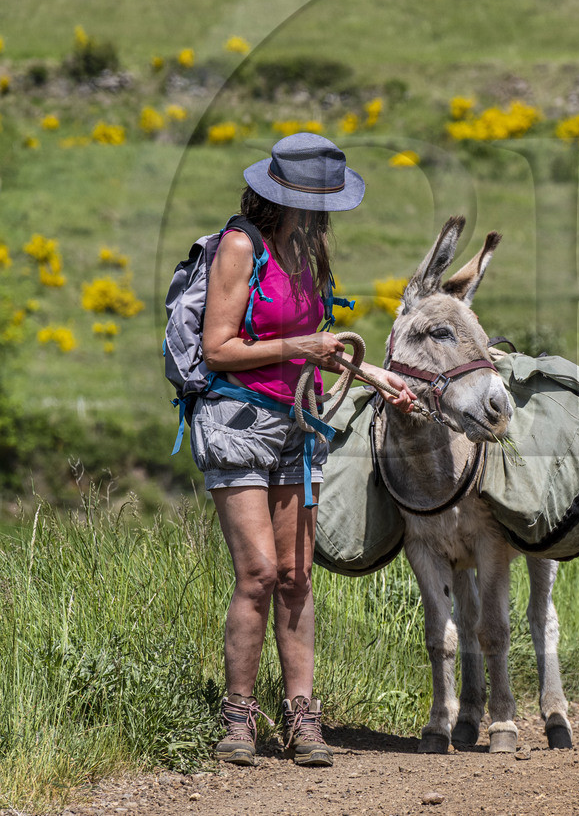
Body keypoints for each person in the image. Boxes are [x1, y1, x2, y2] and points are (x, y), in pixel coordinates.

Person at [198, 132, 416, 767]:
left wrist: (373, 376)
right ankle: (239, 717)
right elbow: (218, 349)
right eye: (319, 198)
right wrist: (302, 351)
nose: (327, 210)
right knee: (260, 572)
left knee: (297, 575)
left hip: (300, 418)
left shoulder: (309, 250)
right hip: (238, 420)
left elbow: (313, 335)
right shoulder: (240, 248)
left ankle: (301, 716)